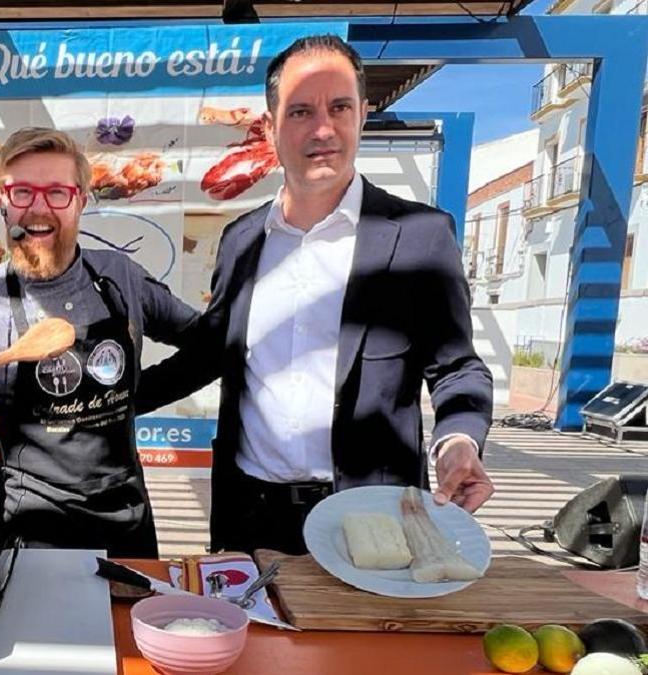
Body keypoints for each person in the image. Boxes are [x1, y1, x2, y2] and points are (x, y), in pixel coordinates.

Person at [137, 35, 495, 556]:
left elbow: (457, 366)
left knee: (362, 640)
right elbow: (208, 356)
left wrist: (459, 440)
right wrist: (100, 404)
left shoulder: (420, 234)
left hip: (369, 515)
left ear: (363, 115)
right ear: (270, 127)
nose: (322, 129)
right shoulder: (241, 240)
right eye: (301, 111)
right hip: (248, 513)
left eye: (339, 107)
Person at [0, 128, 199, 558]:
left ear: (81, 200)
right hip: (33, 534)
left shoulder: (120, 277)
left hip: (130, 526)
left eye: (58, 193)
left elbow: (205, 344)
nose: (39, 208)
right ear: (2, 203)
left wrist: (139, 393)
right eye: (23, 192)